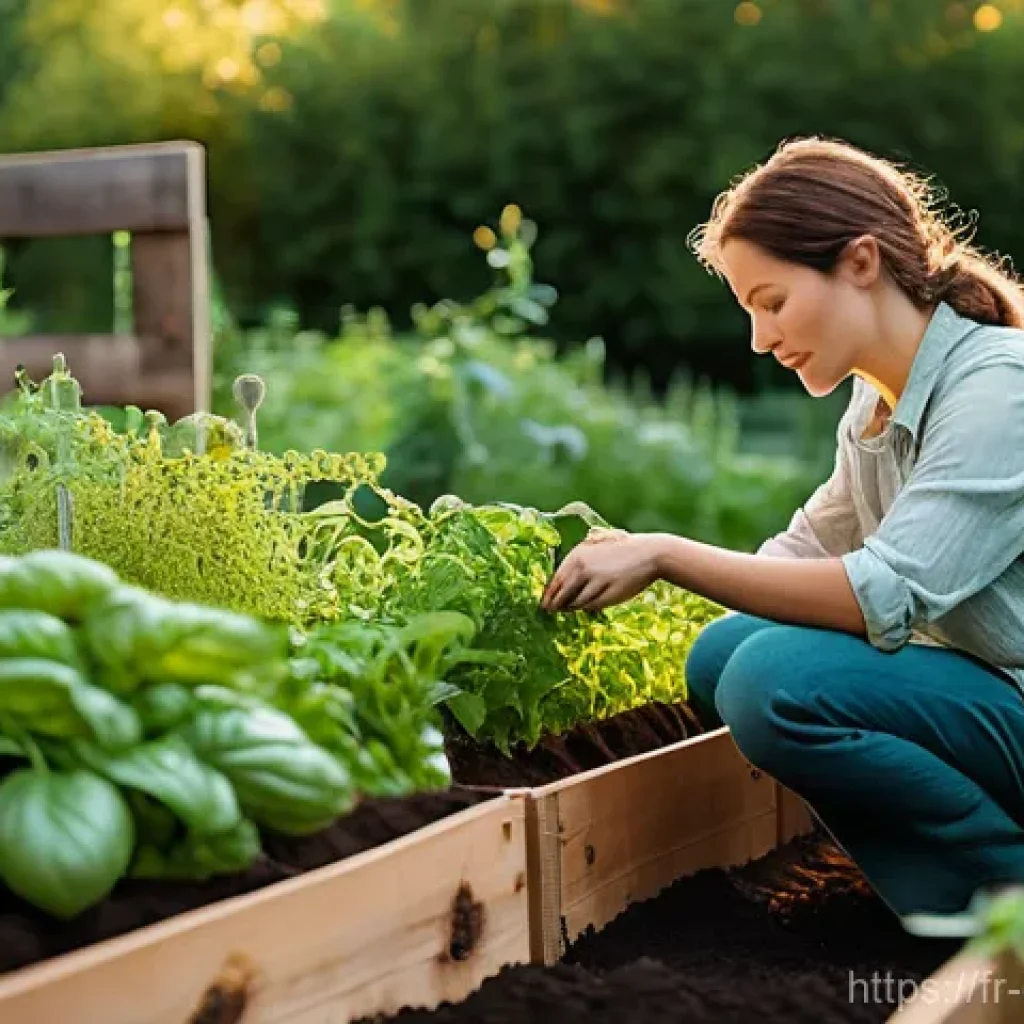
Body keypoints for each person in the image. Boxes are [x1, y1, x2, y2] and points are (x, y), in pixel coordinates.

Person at [540, 136, 1024, 920]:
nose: (761, 339)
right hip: (991, 703)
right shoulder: (874, 404)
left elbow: (881, 593)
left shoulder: (999, 386)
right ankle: (946, 885)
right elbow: (803, 548)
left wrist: (666, 553)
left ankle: (1001, 889)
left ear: (861, 262)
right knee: (725, 653)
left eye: (772, 302)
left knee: (775, 681)